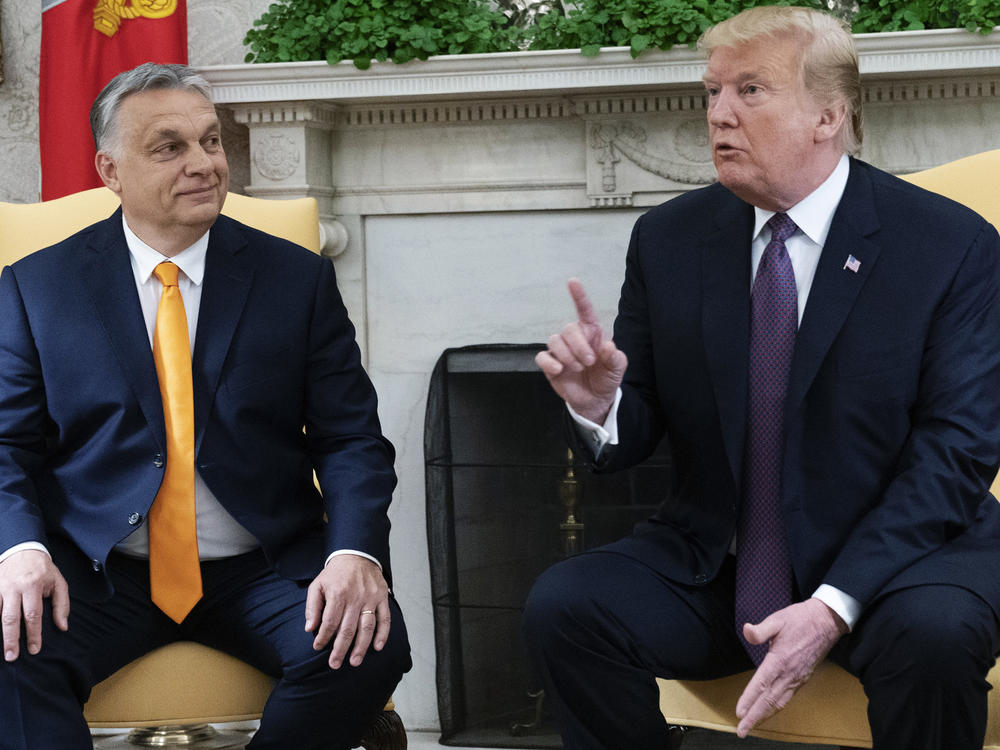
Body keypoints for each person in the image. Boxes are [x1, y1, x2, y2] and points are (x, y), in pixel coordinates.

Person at [524, 6, 1000, 750]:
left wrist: (835, 603)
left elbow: (957, 452)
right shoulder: (670, 239)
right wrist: (600, 403)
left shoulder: (947, 245)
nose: (719, 113)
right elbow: (636, 428)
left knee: (936, 635)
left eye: (750, 91)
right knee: (567, 605)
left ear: (828, 116)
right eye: (711, 92)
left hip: (898, 563)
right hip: (721, 563)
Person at [0, 63, 410, 749]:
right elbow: (7, 444)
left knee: (367, 645)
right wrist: (20, 546)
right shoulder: (38, 287)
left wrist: (354, 552)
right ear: (111, 169)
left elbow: (351, 440)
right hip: (101, 566)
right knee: (9, 647)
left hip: (263, 563)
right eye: (170, 147)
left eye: (210, 141)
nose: (204, 164)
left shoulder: (296, 280)